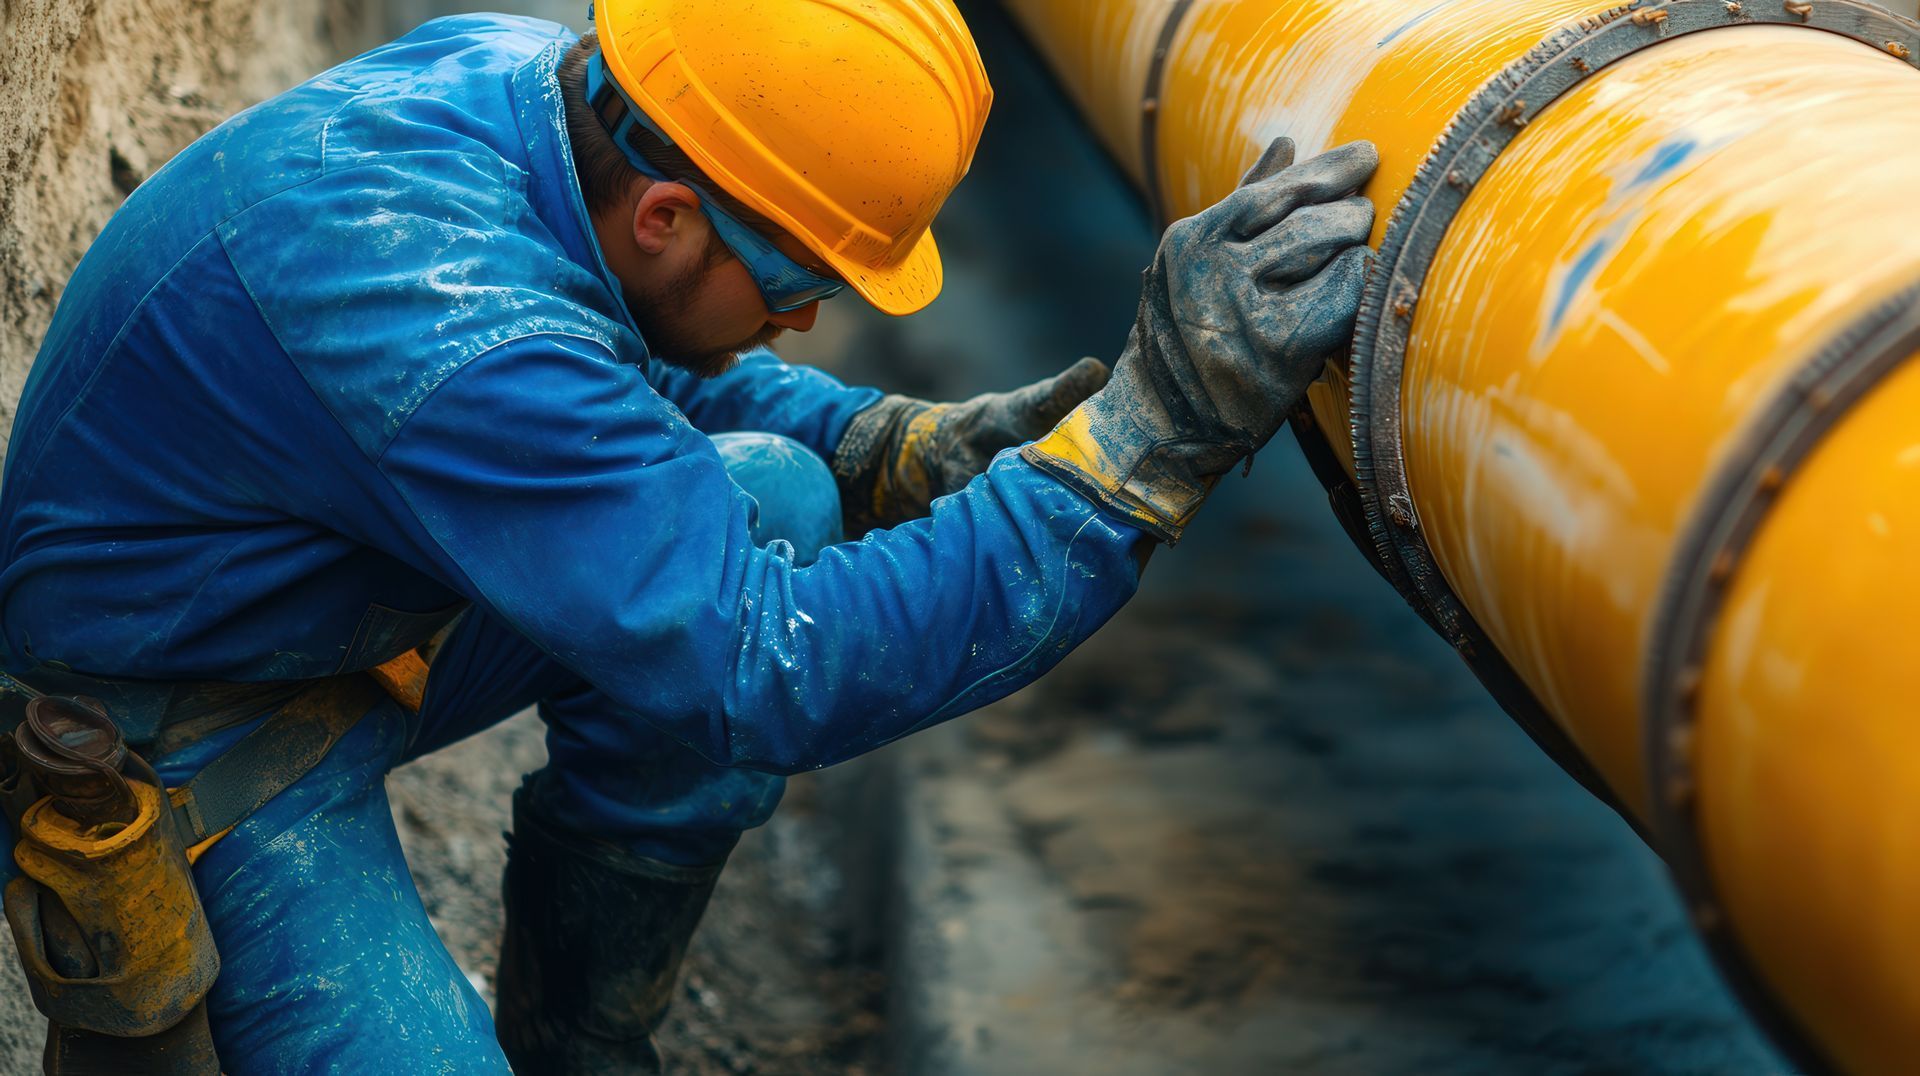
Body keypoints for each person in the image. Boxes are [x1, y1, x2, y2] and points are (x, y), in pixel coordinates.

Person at [0, 2, 1376, 1072]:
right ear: (668, 214)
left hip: (328, 598)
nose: (804, 323)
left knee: (776, 491)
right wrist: (1137, 450)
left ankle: (580, 1042)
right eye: (795, 286)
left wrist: (877, 445)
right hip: (185, 731)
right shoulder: (441, 321)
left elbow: (626, 350)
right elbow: (770, 665)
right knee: (734, 610)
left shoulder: (544, 95)